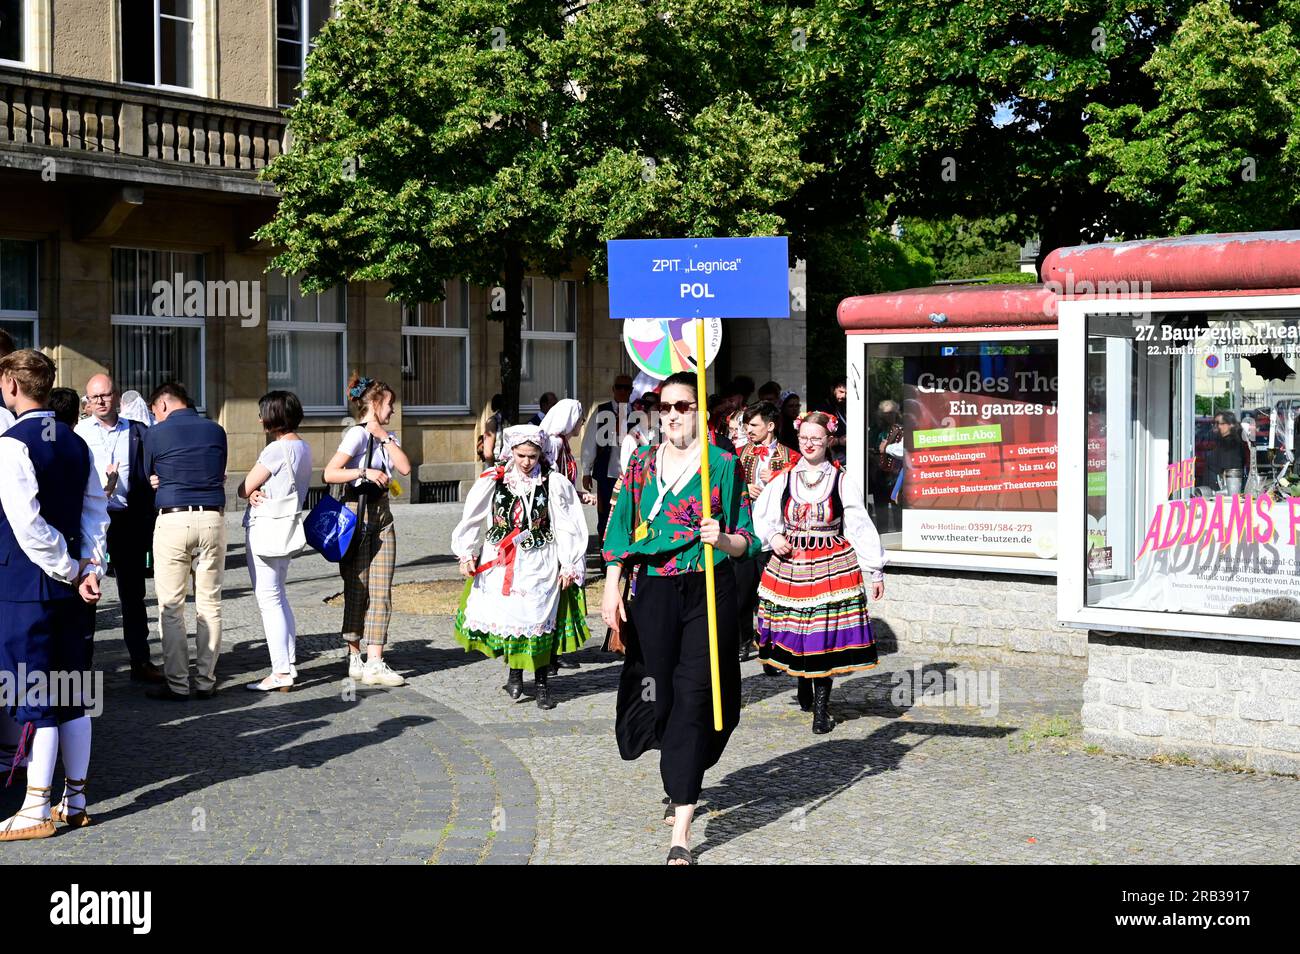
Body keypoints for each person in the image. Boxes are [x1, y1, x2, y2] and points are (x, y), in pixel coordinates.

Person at [600, 371, 759, 865]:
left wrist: (722, 538)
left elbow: (746, 539)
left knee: (696, 697)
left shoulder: (723, 465)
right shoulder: (642, 464)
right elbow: (620, 529)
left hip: (708, 587)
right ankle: (678, 772)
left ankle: (682, 831)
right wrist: (611, 586)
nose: (672, 415)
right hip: (654, 590)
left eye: (683, 406)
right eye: (664, 407)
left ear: (700, 411)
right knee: (661, 693)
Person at [0, 349, 108, 840]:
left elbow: (28, 525)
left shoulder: (11, 444)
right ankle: (77, 798)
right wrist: (90, 565)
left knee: (36, 694)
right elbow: (94, 513)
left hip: (29, 586)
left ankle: (36, 806)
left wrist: (70, 568)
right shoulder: (77, 441)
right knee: (73, 691)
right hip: (72, 585)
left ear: (13, 387)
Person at [754, 411, 886, 734]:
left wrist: (876, 569)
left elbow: (858, 523)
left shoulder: (841, 480)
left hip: (830, 565)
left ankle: (821, 711)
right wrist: (774, 537)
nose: (809, 444)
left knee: (822, 636)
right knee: (799, 632)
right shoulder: (785, 478)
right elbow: (762, 515)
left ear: (829, 440)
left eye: (816, 438)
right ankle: (803, 686)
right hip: (791, 563)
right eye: (804, 438)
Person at [452, 426, 589, 709]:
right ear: (511, 452)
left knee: (538, 619)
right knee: (512, 619)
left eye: (532, 456)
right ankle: (515, 673)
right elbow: (473, 515)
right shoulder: (495, 479)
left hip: (540, 561)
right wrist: (465, 553)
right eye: (521, 455)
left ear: (541, 453)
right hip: (502, 560)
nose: (527, 462)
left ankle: (542, 684)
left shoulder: (553, 482)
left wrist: (569, 563)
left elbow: (567, 524)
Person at [323, 373, 413, 688]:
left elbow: (404, 468)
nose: (392, 411)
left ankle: (375, 660)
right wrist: (364, 470)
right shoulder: (356, 436)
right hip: (355, 513)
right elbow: (330, 473)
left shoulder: (387, 437)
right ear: (374, 404)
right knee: (357, 589)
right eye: (389, 405)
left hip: (382, 515)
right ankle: (354, 656)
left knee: (382, 590)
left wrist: (385, 436)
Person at [143, 382, 229, 701]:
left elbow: (145, 474)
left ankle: (178, 684)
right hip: (213, 518)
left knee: (171, 606)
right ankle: (206, 681)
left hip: (173, 517)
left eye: (155, 413)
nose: (155, 419)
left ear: (163, 405)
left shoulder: (156, 433)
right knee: (209, 602)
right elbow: (217, 472)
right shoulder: (216, 430)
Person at [75, 374, 161, 684]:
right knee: (86, 593)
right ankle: (82, 668)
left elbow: (151, 468)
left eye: (105, 395)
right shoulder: (80, 432)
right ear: (87, 401)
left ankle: (140, 660)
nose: (99, 401)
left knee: (133, 595)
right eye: (94, 396)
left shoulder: (137, 431)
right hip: (92, 520)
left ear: (117, 397)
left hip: (128, 521)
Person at [239, 391, 313, 692]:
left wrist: (249, 492)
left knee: (268, 599)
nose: (259, 419)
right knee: (279, 596)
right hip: (286, 527)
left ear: (273, 417)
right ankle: (289, 662)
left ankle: (281, 671)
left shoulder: (274, 450)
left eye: (262, 413)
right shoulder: (304, 447)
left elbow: (245, 486)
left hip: (265, 528)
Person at [735, 401, 799, 663]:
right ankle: (742, 640)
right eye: (746, 425)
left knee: (772, 594)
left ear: (770, 426)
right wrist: (744, 488)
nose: (748, 429)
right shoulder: (737, 453)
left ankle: (770, 643)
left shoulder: (791, 457)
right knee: (741, 593)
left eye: (753, 424)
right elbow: (724, 490)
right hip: (745, 534)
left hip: (775, 536)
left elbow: (798, 495)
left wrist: (774, 479)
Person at [539, 398, 595, 674]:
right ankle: (550, 650)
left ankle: (556, 648)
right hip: (556, 526)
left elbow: (564, 485)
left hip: (564, 518)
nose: (582, 423)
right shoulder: (554, 445)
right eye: (579, 417)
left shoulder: (562, 444)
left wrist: (579, 495)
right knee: (561, 581)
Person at [581, 374, 635, 541]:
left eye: (626, 388)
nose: (622, 391)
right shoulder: (602, 411)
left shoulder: (638, 413)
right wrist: (586, 471)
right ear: (613, 389)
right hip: (606, 474)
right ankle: (605, 556)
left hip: (631, 475)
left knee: (628, 515)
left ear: (631, 391)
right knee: (604, 516)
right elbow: (589, 441)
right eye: (619, 387)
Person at [871, 400, 904, 533]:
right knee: (881, 509)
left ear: (896, 413)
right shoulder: (876, 430)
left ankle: (900, 533)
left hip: (897, 474)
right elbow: (870, 446)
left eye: (891, 413)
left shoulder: (902, 428)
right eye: (885, 413)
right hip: (879, 473)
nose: (888, 416)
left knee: (898, 507)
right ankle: (881, 534)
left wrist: (887, 449)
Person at [1204, 411, 1251, 495]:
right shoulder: (1219, 440)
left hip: (1227, 487)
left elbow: (1227, 466)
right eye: (1214, 423)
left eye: (1220, 423)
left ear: (1231, 425)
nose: (1217, 426)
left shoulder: (1232, 443)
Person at [820, 379, 848, 465]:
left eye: (846, 393)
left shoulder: (842, 407)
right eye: (841, 391)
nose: (843, 396)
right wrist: (839, 441)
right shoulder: (823, 408)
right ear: (833, 389)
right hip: (832, 460)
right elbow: (818, 439)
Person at [476, 394, 508, 466]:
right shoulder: (494, 421)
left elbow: (488, 453)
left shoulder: (494, 420)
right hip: (497, 464)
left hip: (498, 463)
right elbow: (488, 453)